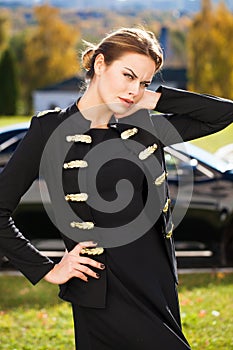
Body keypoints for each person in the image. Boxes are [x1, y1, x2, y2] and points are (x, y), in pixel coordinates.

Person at [0, 27, 233, 350]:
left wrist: (155, 98)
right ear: (99, 64)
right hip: (101, 290)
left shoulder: (144, 127)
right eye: (128, 75)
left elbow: (224, 114)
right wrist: (47, 268)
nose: (133, 89)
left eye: (143, 82)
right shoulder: (49, 129)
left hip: (156, 284)